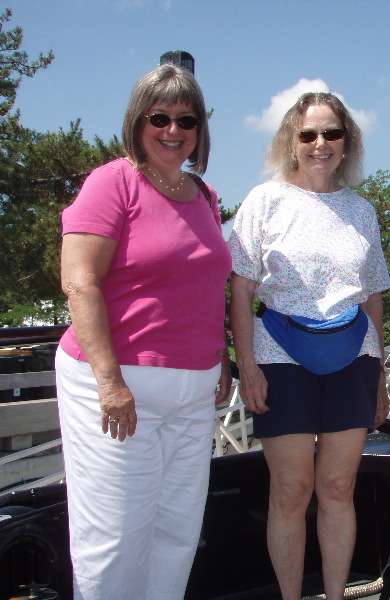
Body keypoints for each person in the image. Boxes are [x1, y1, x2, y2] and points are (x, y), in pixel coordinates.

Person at [56, 64, 231, 600]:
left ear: (200, 128)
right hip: (118, 387)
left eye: (186, 118)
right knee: (113, 536)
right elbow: (79, 281)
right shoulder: (114, 181)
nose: (172, 130)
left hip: (193, 390)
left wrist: (221, 357)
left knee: (177, 531)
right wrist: (110, 382)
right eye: (159, 117)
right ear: (138, 122)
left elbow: (204, 285)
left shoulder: (204, 195)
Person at [227, 92, 390, 600]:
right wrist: (246, 365)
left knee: (339, 489)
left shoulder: (362, 211)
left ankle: (337, 595)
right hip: (280, 356)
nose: (320, 144)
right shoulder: (264, 200)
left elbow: (374, 298)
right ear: (292, 141)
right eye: (309, 134)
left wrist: (381, 377)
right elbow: (241, 289)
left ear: (347, 142)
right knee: (292, 491)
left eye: (332, 133)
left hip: (354, 359)